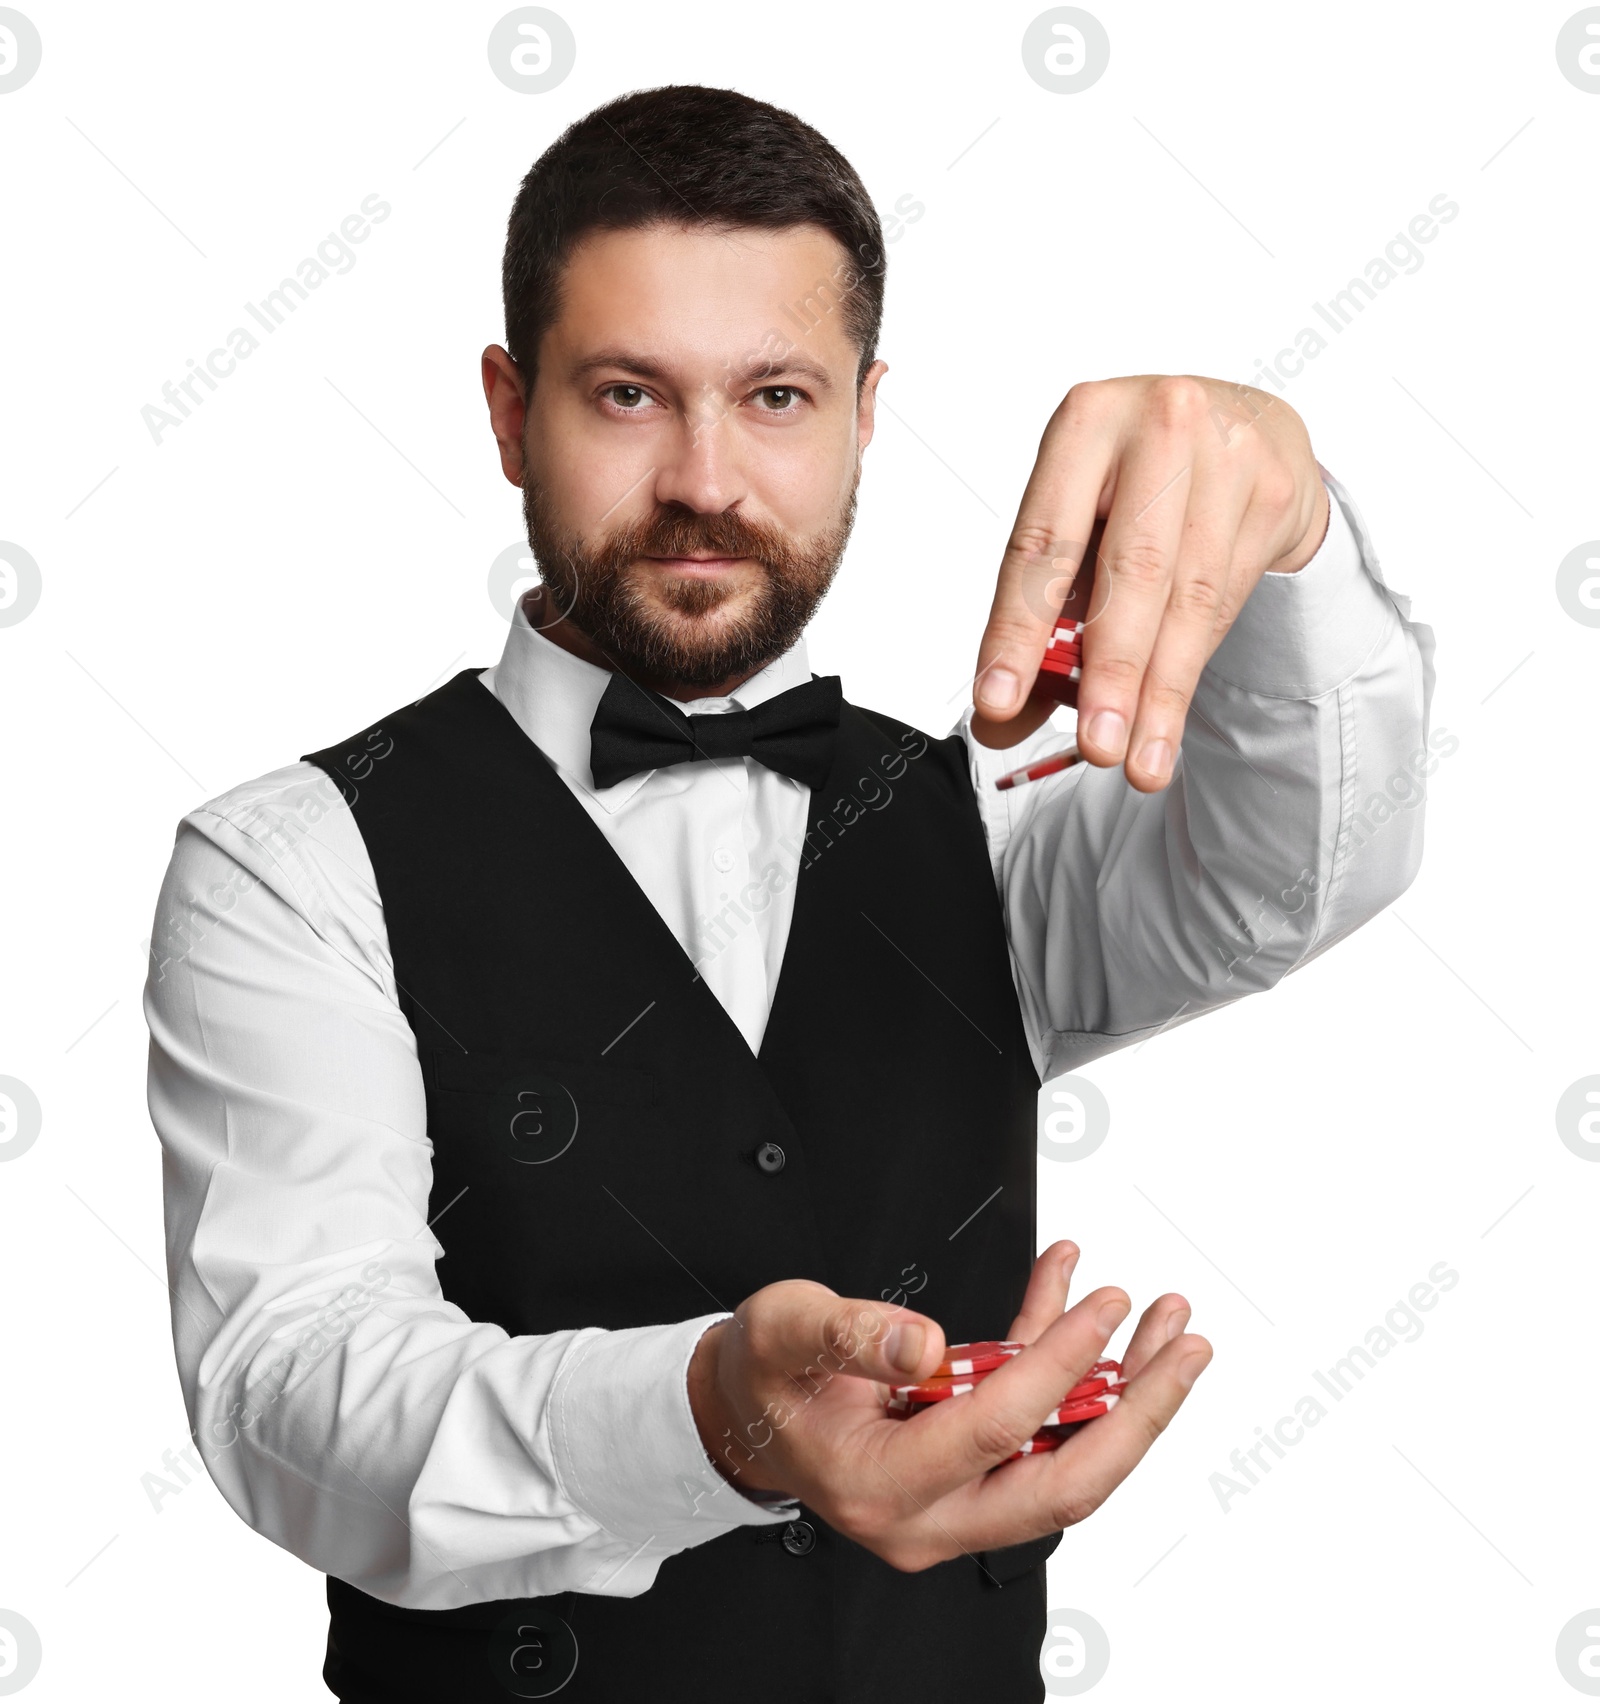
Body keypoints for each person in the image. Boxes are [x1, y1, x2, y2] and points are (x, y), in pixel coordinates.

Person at [143, 84, 1435, 1702]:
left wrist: (1295, 529)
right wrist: (714, 1419)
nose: (704, 479)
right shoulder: (293, 862)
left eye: (774, 396)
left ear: (864, 415)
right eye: (628, 394)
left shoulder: (992, 822)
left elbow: (1304, 870)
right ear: (504, 409)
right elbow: (293, 1396)